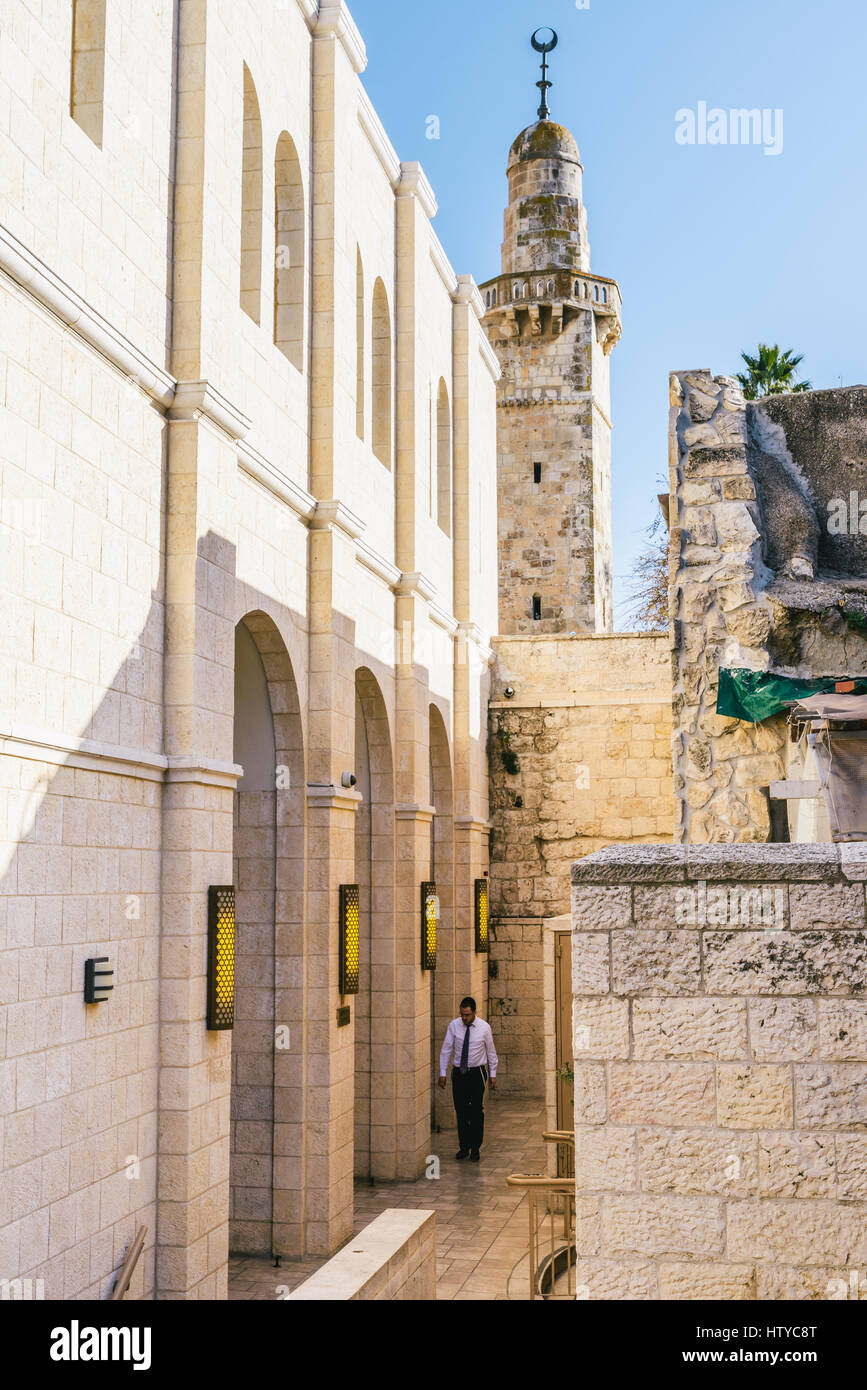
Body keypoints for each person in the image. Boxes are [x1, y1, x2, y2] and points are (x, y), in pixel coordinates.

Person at [438, 996, 498, 1162]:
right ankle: (464, 1146)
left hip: (476, 1072)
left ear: (474, 1013)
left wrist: (493, 1074)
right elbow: (446, 1049)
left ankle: (475, 1148)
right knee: (461, 1111)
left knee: (476, 1111)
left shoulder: (484, 1028)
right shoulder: (454, 1026)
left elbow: (491, 1052)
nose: (464, 1018)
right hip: (459, 1073)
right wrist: (442, 1072)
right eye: (462, 1015)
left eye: (467, 1015)